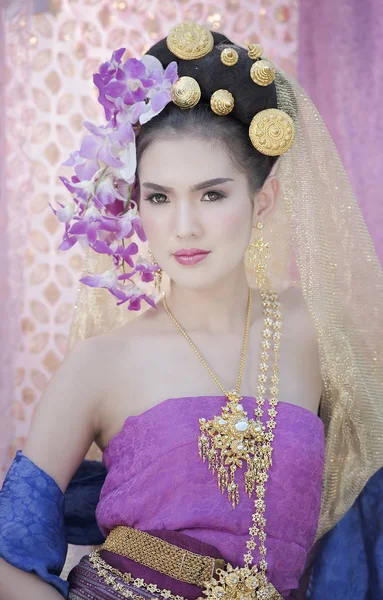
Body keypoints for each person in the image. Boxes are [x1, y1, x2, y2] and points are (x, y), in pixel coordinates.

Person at [0, 21, 382, 600]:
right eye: (158, 197)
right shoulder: (99, 364)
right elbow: (9, 553)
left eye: (212, 194)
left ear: (264, 199)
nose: (183, 227)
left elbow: (361, 524)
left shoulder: (318, 331)